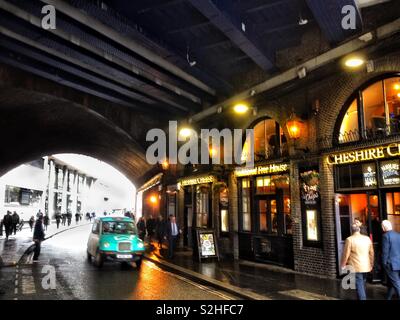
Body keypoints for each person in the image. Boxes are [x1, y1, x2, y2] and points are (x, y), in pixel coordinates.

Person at [341, 223, 374, 300]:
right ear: (359, 230)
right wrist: (371, 264)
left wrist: (343, 265)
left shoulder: (349, 239)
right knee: (363, 282)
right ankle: (361, 297)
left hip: (356, 267)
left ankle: (362, 298)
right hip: (366, 265)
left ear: (352, 230)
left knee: (359, 284)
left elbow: (346, 254)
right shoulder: (367, 238)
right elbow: (372, 253)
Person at [382, 220, 400, 300]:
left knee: (396, 283)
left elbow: (385, 252)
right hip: (398, 263)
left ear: (383, 227)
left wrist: (384, 264)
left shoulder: (385, 236)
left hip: (391, 264)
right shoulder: (398, 235)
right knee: (392, 283)